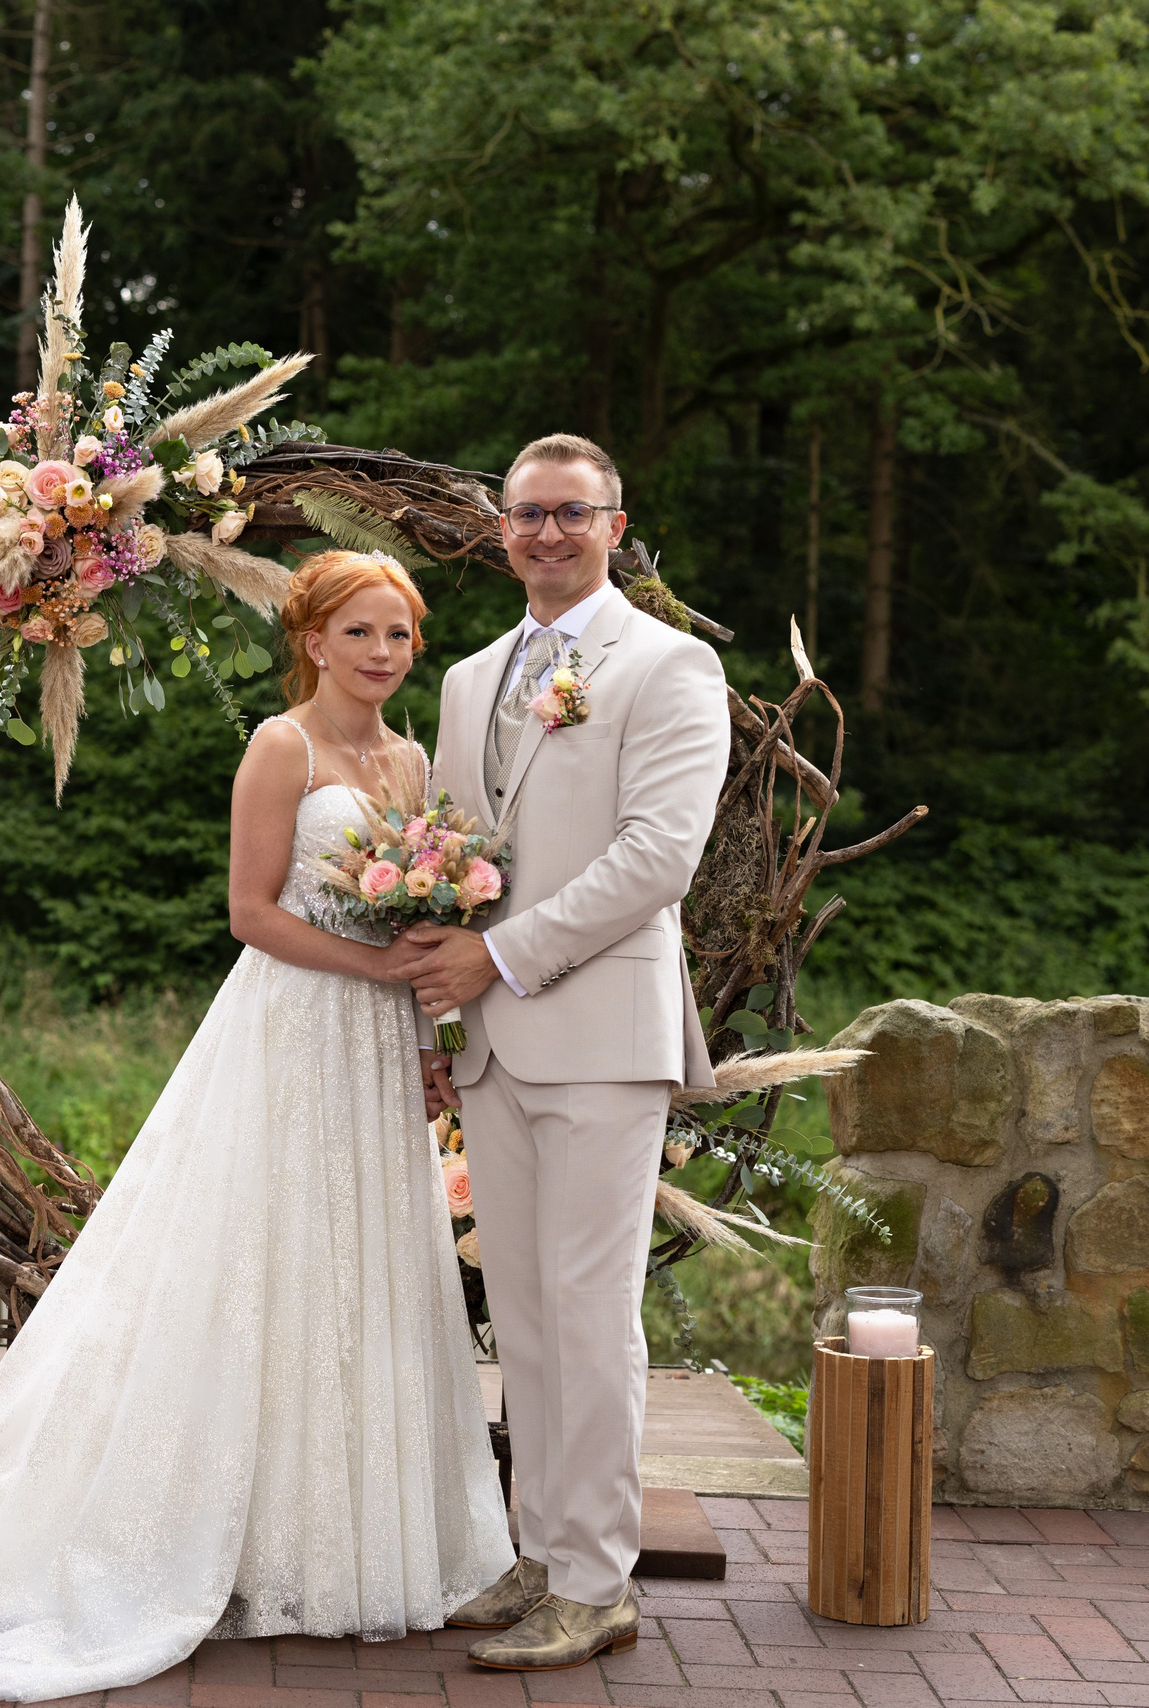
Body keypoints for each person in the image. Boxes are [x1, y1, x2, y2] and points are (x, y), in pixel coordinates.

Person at [0, 550, 511, 1701]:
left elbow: (425, 903)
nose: (381, 652)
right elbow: (250, 912)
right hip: (296, 1029)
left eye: (398, 634)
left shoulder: (410, 759)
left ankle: (349, 1535)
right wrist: (376, 963)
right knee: (267, 1264)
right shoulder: (283, 747)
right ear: (312, 640)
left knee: (363, 1270)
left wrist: (422, 1032)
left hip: (377, 1044)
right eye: (359, 631)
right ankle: (221, 1528)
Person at [391, 433, 728, 1672]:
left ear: (613, 526)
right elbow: (447, 856)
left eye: (570, 512)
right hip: (490, 1042)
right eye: (527, 512)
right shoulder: (471, 677)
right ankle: (541, 1550)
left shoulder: (668, 663)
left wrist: (501, 957)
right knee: (527, 1320)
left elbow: (658, 856)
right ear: (501, 529)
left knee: (588, 1316)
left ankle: (597, 1584)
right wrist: (440, 1014)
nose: (546, 531)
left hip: (598, 1034)